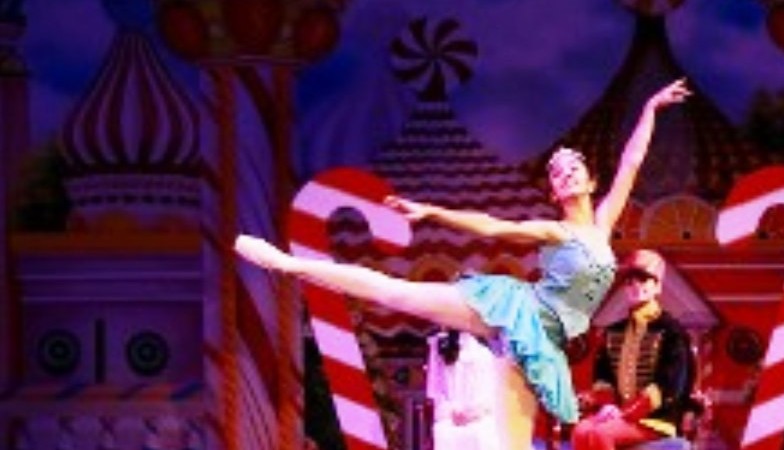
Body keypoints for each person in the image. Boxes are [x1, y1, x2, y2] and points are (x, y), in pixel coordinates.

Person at [232, 80, 692, 442]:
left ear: (591, 181)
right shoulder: (556, 231)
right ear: (554, 191)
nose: (565, 172)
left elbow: (632, 160)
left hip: (545, 341)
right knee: (401, 293)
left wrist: (650, 108)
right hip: (520, 312)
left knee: (516, 431)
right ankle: (289, 266)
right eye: (556, 171)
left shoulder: (604, 221)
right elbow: (490, 225)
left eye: (573, 167)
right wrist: (432, 211)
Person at [572, 249, 695, 450]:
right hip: (618, 415)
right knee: (581, 431)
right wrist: (608, 406)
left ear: (658, 287)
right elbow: (603, 378)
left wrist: (625, 413)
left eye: (644, 279)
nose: (636, 285)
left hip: (656, 420)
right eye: (629, 281)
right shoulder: (614, 331)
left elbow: (668, 386)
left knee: (600, 434)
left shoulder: (672, 332)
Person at [426, 329, 501, 450]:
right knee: (445, 432)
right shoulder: (440, 344)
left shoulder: (490, 347)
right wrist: (452, 411)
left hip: (484, 417)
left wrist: (478, 410)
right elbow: (436, 389)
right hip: (451, 419)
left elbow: (496, 387)